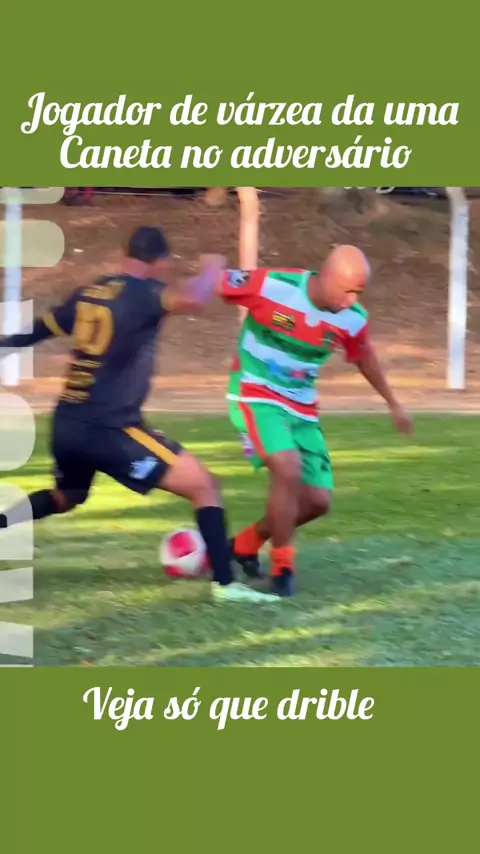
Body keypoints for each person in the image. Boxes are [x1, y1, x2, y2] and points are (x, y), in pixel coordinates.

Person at [0, 225, 278, 604]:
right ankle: (227, 586)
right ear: (159, 261)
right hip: (110, 428)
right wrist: (213, 267)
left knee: (68, 494)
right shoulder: (144, 293)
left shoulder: (91, 292)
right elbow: (194, 299)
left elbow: (40, 329)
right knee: (204, 486)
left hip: (67, 422)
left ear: (127, 254)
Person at [219, 245, 414, 597]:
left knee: (317, 501)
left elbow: (364, 356)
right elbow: (216, 283)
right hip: (255, 393)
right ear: (328, 277)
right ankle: (282, 570)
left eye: (359, 292)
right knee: (287, 469)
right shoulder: (273, 285)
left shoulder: (352, 318)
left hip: (302, 407)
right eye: (348, 290)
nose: (353, 299)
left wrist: (393, 403)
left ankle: (244, 545)